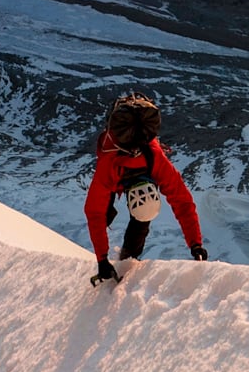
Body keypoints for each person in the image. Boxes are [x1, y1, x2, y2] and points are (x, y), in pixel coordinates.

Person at [85, 93, 208, 283]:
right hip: (117, 171)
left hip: (133, 169)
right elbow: (95, 213)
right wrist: (101, 259)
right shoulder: (109, 166)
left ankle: (128, 260)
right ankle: (128, 258)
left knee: (143, 213)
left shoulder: (156, 160)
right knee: (117, 211)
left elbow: (182, 202)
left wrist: (195, 243)